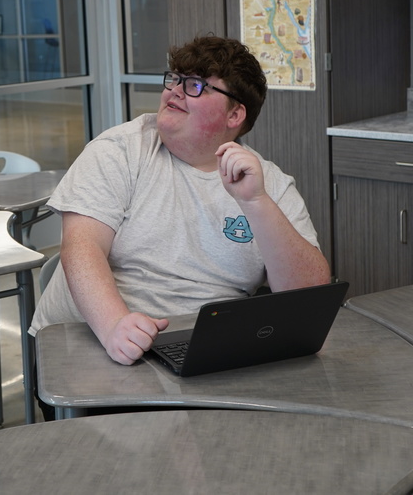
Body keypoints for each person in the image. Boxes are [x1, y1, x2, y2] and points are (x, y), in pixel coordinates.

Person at [30, 35, 330, 366]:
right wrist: (114, 325)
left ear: (235, 115)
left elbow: (309, 296)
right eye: (174, 78)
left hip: (204, 353)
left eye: (195, 85)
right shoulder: (120, 150)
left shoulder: (267, 183)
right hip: (90, 344)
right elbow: (81, 248)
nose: (174, 90)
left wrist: (256, 203)